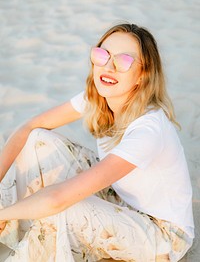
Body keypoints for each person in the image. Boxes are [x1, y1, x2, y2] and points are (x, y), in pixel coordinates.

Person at [0, 23, 194, 262]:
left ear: (143, 75)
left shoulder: (148, 130)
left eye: (124, 61)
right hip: (120, 198)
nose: (109, 67)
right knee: (38, 139)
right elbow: (27, 127)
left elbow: (57, 199)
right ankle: (17, 233)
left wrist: (3, 214)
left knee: (63, 206)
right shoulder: (99, 97)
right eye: (102, 55)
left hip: (161, 234)